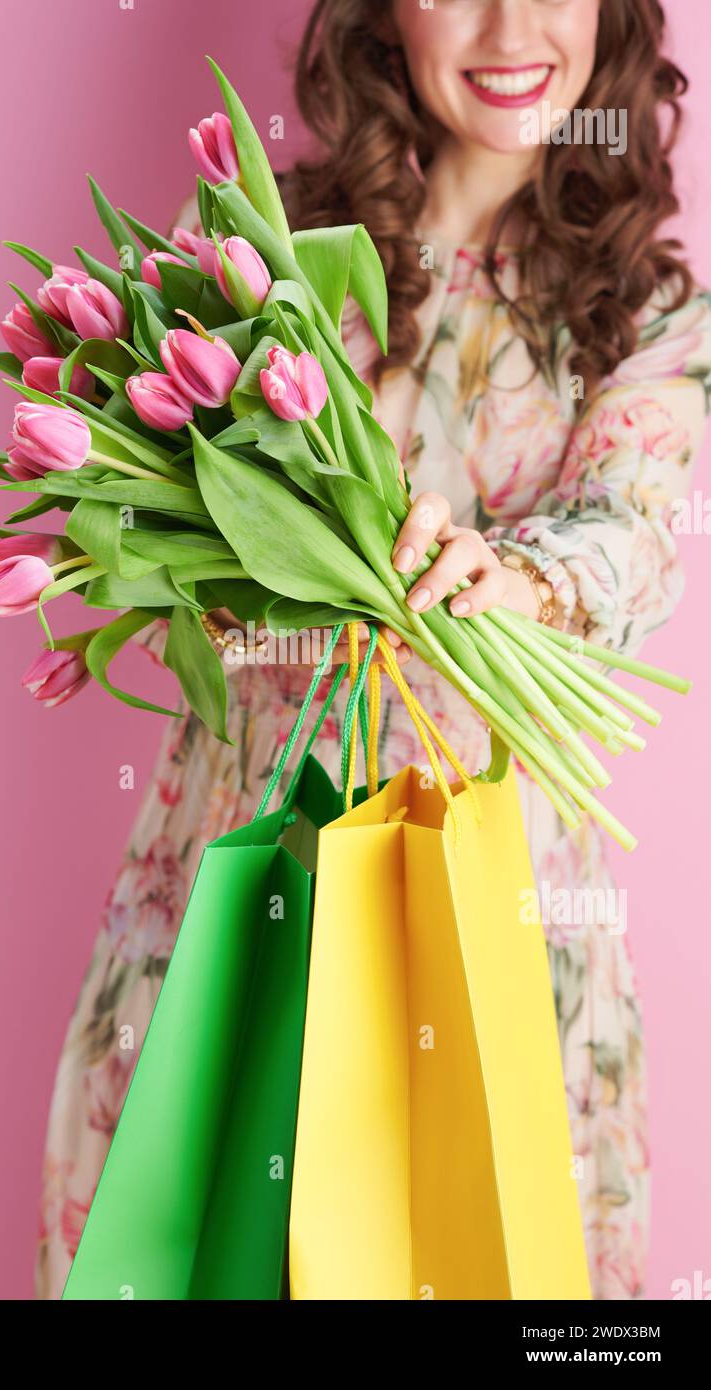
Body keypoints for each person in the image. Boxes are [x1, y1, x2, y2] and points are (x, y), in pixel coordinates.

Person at [36, 0, 711, 1299]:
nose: (511, 25)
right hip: (239, 859)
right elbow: (139, 497)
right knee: (191, 1244)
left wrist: (512, 572)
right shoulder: (256, 257)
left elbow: (636, 531)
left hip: (489, 900)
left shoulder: (651, 312)